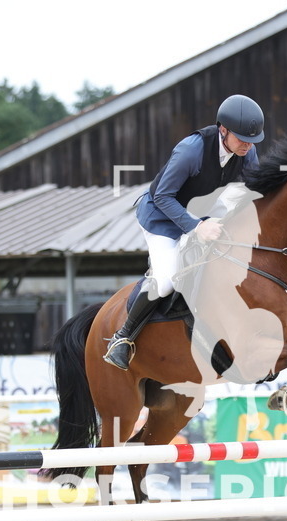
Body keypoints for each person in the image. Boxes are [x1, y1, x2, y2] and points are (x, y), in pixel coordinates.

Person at [103, 94, 264, 370]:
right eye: (242, 139)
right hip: (160, 216)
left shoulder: (246, 150)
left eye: (252, 141)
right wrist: (197, 227)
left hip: (200, 211)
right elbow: (164, 196)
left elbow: (255, 190)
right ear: (222, 129)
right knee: (167, 280)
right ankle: (122, 338)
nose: (248, 146)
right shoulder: (191, 150)